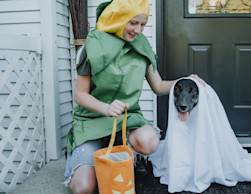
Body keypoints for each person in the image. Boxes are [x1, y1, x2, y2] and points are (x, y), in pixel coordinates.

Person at [64, 0, 205, 193]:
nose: (138, 30)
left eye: (142, 24)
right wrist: (105, 108)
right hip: (92, 122)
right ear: (117, 19)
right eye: (132, 23)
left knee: (150, 141)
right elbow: (79, 95)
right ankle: (83, 153)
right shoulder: (91, 47)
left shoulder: (142, 49)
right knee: (84, 188)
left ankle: (126, 151)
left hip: (126, 120)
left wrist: (187, 80)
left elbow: (159, 86)